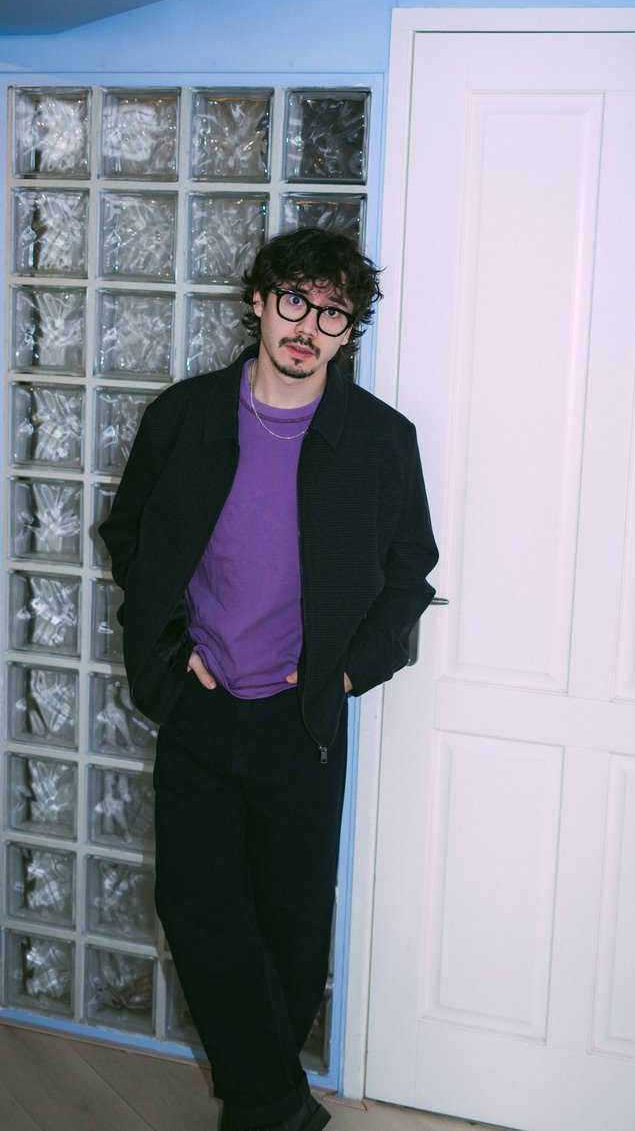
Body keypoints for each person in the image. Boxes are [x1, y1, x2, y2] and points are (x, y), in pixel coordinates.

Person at [99, 228, 438, 1131]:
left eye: (333, 312)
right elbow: (129, 536)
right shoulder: (186, 415)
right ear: (258, 301)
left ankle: (263, 1106)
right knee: (196, 901)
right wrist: (173, 652)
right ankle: (277, 1110)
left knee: (289, 927)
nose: (309, 326)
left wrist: (353, 671)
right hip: (203, 703)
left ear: (348, 328)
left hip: (304, 719)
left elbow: (411, 574)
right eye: (294, 300)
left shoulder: (378, 440)